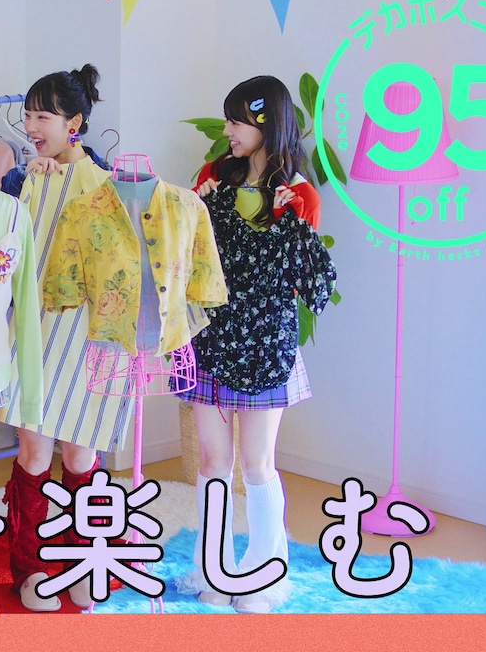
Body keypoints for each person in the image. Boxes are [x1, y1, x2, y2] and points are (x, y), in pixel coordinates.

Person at [179, 75, 336, 614]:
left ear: (267, 123)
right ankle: (213, 566)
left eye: (236, 121)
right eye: (227, 120)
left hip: (267, 341)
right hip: (210, 335)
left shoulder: (300, 195)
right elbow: (188, 249)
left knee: (257, 464)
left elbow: (296, 276)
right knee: (211, 461)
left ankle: (264, 575)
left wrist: (287, 220)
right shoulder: (211, 178)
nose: (227, 131)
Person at [0, 64, 124, 611]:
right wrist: (26, 186)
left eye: (42, 116)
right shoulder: (23, 179)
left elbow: (118, 270)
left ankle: (82, 561)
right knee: (33, 452)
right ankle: (29, 568)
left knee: (80, 454)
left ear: (74, 122)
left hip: (86, 336)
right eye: (27, 115)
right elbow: (4, 251)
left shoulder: (107, 184)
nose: (31, 126)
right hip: (33, 329)